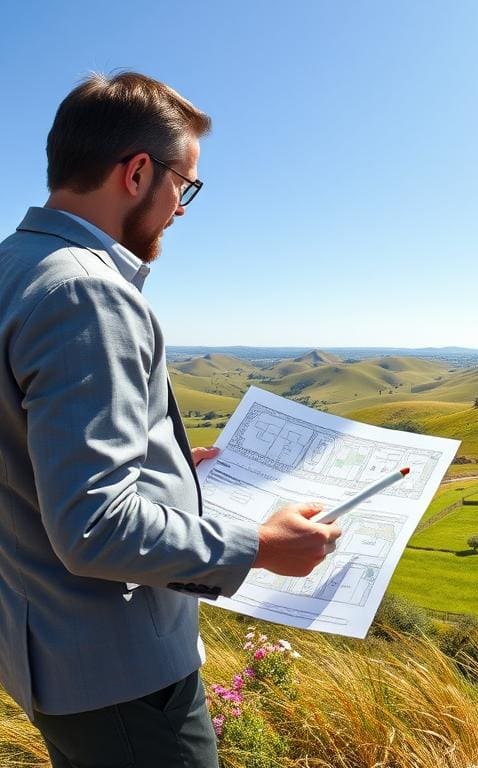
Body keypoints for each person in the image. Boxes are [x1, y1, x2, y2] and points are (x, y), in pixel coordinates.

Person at [0, 71, 342, 767]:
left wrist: (165, 465)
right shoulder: (86, 292)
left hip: (48, 648)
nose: (181, 209)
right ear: (136, 174)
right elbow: (95, 526)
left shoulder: (15, 266)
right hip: (122, 674)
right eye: (184, 185)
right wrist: (258, 546)